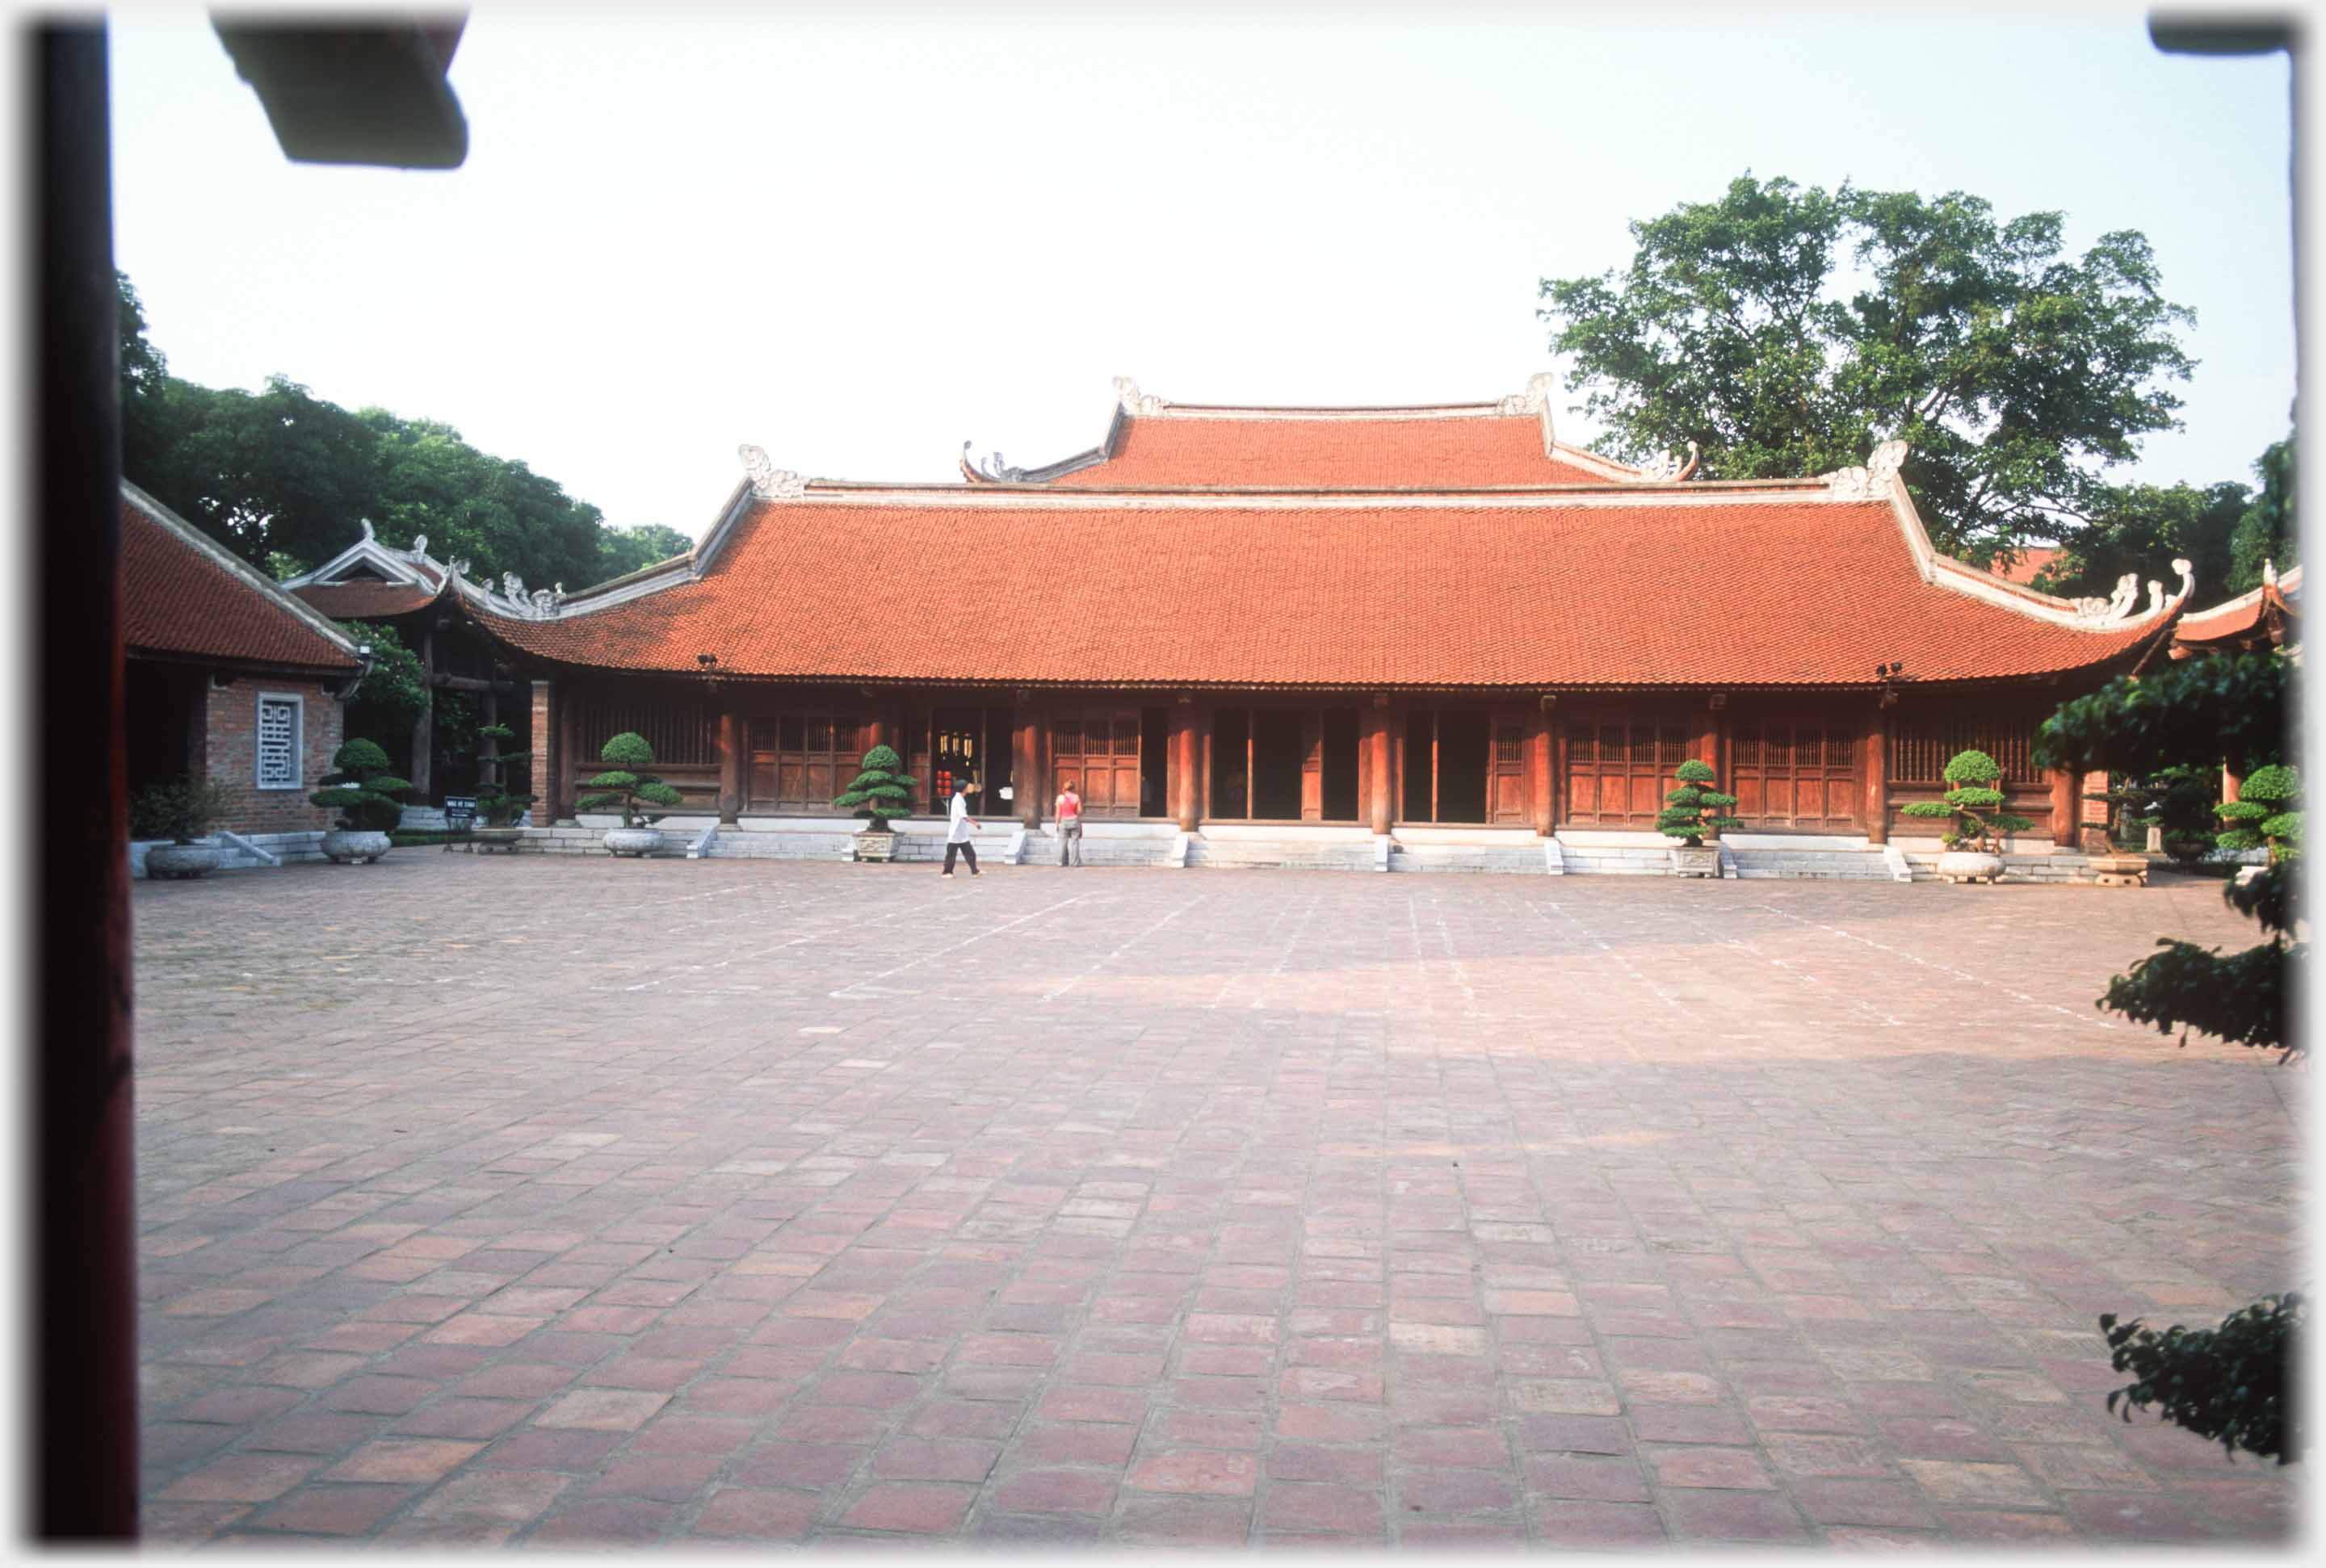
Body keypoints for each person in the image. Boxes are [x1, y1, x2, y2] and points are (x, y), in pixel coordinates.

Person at [941, 777, 979, 877]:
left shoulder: (960, 798)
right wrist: (975, 823)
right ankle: (947, 872)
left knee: (970, 853)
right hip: (955, 833)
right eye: (967, 787)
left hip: (961, 833)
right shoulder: (957, 800)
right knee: (951, 854)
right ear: (963, 789)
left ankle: (975, 871)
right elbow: (964, 816)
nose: (968, 788)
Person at [1054, 777, 1084, 866]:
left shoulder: (1060, 798)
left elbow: (1058, 813)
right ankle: (1075, 862)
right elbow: (1080, 811)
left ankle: (1062, 862)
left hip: (1064, 821)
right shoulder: (1076, 797)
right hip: (1074, 820)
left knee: (1063, 842)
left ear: (1064, 788)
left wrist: (1057, 824)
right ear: (1073, 788)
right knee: (1075, 843)